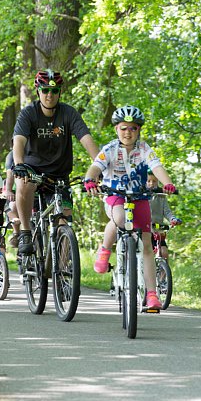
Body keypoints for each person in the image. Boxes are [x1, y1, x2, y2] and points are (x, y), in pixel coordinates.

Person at [83, 105, 177, 310]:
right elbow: (95, 167)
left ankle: (152, 294)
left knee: (146, 243)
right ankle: (105, 250)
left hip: (139, 196)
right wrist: (90, 180)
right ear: (116, 129)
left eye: (133, 128)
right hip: (115, 196)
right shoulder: (109, 149)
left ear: (139, 130)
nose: (128, 133)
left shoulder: (144, 149)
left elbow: (157, 167)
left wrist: (168, 183)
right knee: (118, 218)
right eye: (124, 128)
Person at [11, 69, 100, 255]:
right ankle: (26, 233)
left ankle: (63, 270)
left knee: (64, 222)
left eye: (54, 90)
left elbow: (86, 140)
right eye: (45, 90)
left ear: (60, 92)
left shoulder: (68, 113)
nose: (49, 95)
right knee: (24, 182)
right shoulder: (28, 114)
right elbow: (18, 141)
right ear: (38, 91)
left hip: (60, 175)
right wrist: (19, 164)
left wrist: (101, 167)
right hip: (33, 170)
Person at [146, 172, 182, 260]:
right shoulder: (141, 196)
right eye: (148, 181)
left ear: (158, 181)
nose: (151, 183)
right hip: (145, 230)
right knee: (147, 252)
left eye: (154, 181)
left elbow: (167, 212)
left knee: (164, 253)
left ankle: (164, 273)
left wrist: (172, 219)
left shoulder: (161, 196)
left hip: (158, 230)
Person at [2, 147, 21, 247]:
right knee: (13, 205)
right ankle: (16, 233)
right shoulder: (11, 156)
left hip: (37, 189)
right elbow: (10, 175)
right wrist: (8, 191)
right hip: (16, 191)